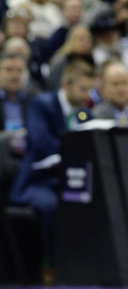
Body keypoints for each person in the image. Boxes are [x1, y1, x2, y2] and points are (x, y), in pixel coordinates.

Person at [9, 56, 94, 271]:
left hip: (71, 179)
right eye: (82, 89)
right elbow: (41, 142)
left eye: (89, 91)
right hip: (37, 181)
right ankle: (51, 265)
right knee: (52, 206)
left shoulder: (84, 112)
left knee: (91, 203)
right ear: (66, 83)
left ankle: (83, 265)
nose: (86, 97)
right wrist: (72, 151)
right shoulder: (41, 104)